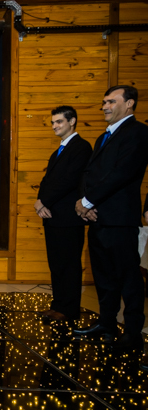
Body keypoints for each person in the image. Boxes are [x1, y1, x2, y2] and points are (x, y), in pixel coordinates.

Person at [72, 85, 148, 351]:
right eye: (104, 102)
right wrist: (83, 203)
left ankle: (133, 333)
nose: (105, 106)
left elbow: (122, 173)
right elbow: (89, 174)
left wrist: (88, 201)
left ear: (129, 104)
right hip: (97, 217)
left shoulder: (138, 133)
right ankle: (106, 324)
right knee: (104, 277)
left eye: (111, 101)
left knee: (128, 278)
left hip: (120, 219)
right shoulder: (102, 137)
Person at [33, 106, 92, 323]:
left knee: (69, 265)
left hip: (68, 217)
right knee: (57, 265)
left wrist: (44, 201)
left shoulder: (81, 147)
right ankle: (58, 305)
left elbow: (69, 180)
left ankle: (69, 310)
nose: (54, 126)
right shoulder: (58, 151)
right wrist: (39, 203)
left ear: (72, 121)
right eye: (53, 122)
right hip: (53, 216)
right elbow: (47, 181)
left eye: (59, 122)